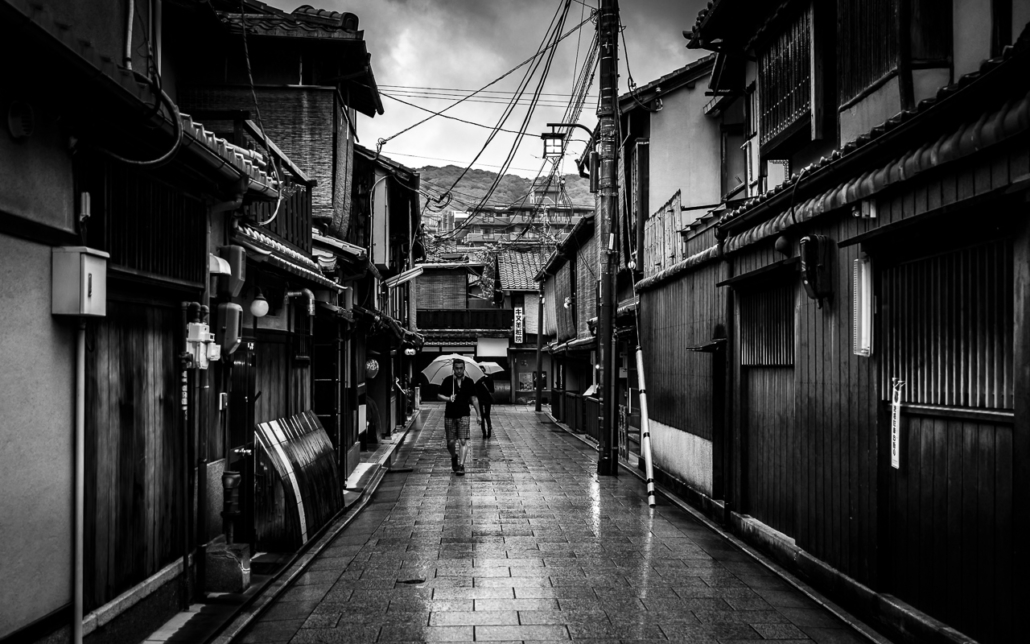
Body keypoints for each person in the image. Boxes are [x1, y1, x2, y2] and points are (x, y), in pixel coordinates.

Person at [437, 359, 480, 475]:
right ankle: (454, 456)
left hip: (464, 414)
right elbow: (439, 395)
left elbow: (474, 399)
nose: (459, 370)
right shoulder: (447, 381)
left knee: (462, 441)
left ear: (464, 368)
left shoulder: (469, 382)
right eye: (457, 368)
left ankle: (461, 465)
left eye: (461, 368)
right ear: (453, 368)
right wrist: (448, 398)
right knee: (450, 442)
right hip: (450, 414)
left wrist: (479, 415)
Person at [475, 368, 495, 438]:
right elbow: (492, 390)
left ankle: (484, 432)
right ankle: (489, 429)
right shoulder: (489, 379)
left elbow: (475, 392)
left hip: (480, 400)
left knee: (482, 416)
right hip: (487, 400)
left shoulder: (477, 381)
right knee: (487, 415)